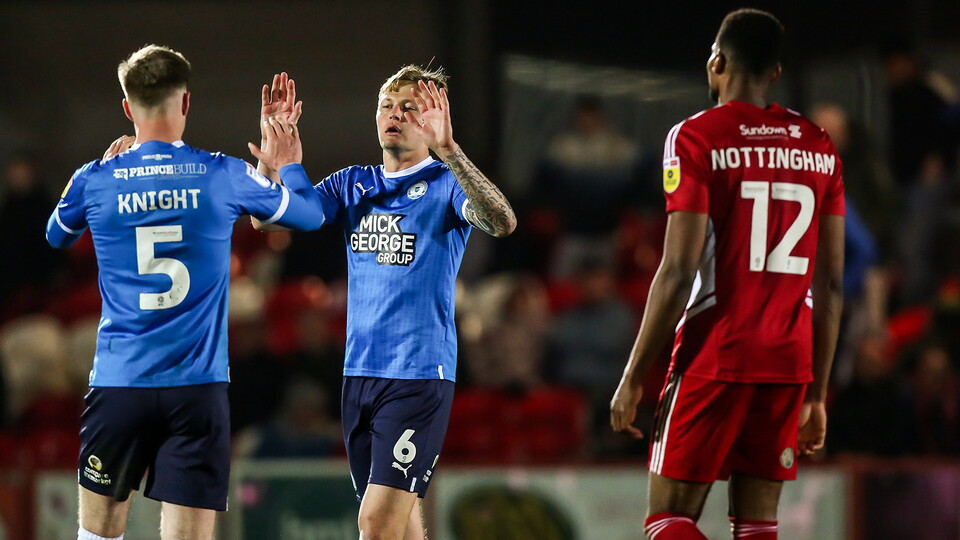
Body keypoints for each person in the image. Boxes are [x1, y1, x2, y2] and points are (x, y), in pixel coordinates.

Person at [45, 45, 322, 540]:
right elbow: (310, 216)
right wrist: (283, 165)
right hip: (197, 389)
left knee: (97, 535)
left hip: (120, 383)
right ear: (186, 103)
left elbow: (55, 234)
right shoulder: (222, 173)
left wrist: (97, 169)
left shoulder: (97, 178)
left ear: (128, 108)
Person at [609, 9, 845, 539]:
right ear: (776, 72)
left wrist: (632, 378)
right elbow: (830, 285)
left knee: (667, 518)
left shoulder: (695, 138)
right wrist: (817, 394)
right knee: (758, 525)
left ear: (715, 63)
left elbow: (676, 270)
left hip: (716, 351)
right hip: (789, 357)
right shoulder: (819, 146)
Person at [254, 65, 517, 539]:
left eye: (409, 108)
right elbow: (272, 221)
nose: (394, 115)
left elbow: (501, 221)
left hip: (418, 376)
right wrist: (278, 161)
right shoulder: (354, 182)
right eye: (386, 106)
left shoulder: (444, 182)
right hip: (359, 375)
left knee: (375, 524)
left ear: (432, 119)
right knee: (400, 526)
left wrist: (451, 151)